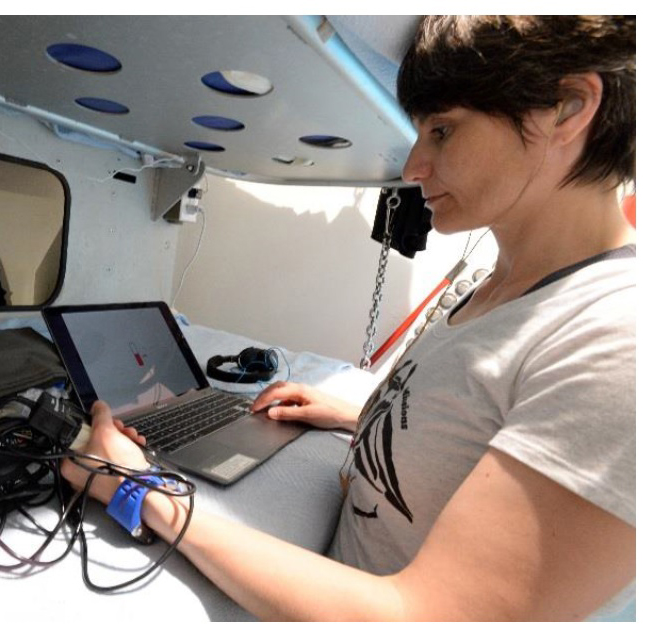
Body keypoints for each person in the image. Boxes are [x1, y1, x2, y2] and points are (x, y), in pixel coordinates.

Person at [62, 15, 636, 620]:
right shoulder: (498, 292)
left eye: (443, 130)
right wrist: (357, 416)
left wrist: (137, 488)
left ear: (568, 106)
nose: (414, 169)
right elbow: (471, 421)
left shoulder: (617, 339)